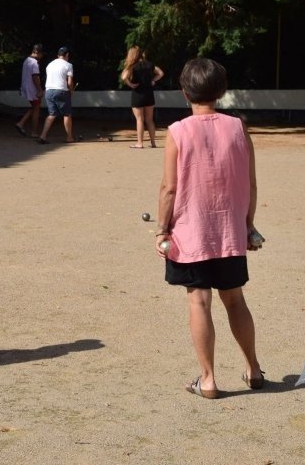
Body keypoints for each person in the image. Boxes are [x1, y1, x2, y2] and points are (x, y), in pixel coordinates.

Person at [155, 58, 263, 399]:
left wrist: (161, 230)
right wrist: (248, 224)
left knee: (199, 301)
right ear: (222, 90)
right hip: (230, 230)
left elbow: (169, 188)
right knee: (235, 300)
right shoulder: (238, 127)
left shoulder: (177, 131)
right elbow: (251, 182)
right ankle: (254, 368)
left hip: (191, 232)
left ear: (184, 92)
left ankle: (208, 379)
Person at [120, 46, 164, 148]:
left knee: (139, 119)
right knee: (150, 120)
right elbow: (161, 73)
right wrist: (153, 80)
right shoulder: (149, 64)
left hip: (138, 93)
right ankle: (153, 143)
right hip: (149, 93)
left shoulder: (132, 66)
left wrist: (130, 84)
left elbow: (123, 77)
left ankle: (140, 143)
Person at [37, 46, 75, 144]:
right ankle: (69, 137)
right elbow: (70, 82)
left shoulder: (49, 65)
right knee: (67, 114)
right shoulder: (68, 65)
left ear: (58, 55)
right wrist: (71, 91)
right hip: (61, 91)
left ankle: (43, 136)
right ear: (67, 55)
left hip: (49, 91)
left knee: (52, 114)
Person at [15, 44, 44, 138]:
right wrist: (40, 90)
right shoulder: (34, 63)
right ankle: (34, 132)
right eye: (41, 54)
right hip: (33, 89)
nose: (41, 57)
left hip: (26, 88)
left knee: (34, 107)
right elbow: (35, 77)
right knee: (36, 108)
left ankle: (21, 123)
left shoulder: (26, 60)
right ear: (38, 53)